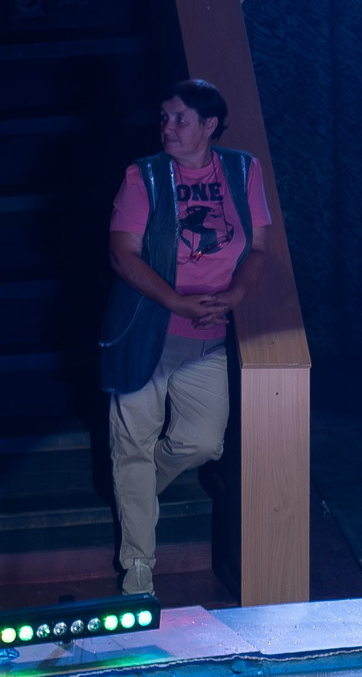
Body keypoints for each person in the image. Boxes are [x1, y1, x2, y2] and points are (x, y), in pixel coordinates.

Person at [101, 79, 271, 597]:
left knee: (202, 441)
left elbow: (259, 249)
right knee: (132, 446)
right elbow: (121, 253)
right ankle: (137, 573)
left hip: (209, 334)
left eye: (180, 119)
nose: (168, 127)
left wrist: (236, 295)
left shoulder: (242, 170)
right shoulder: (144, 176)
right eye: (164, 118)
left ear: (209, 125)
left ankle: (137, 495)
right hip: (145, 331)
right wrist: (174, 300)